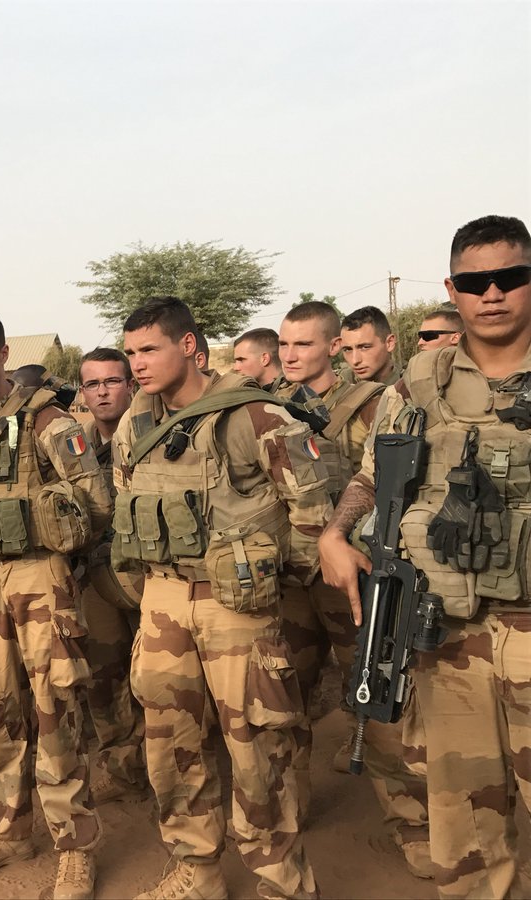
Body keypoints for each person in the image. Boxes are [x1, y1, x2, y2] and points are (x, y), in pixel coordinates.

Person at [320, 214, 531, 899]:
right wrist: (334, 533)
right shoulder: (417, 383)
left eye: (510, 277)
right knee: (465, 826)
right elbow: (372, 475)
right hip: (449, 636)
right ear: (451, 289)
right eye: (475, 282)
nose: (491, 293)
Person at [114, 297, 326, 900]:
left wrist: (271, 580)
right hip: (162, 599)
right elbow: (126, 504)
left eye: (149, 349)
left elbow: (311, 509)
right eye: (130, 353)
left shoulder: (253, 415)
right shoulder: (136, 423)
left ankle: (282, 882)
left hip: (237, 606)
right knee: (170, 746)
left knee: (259, 750)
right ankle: (198, 872)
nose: (137, 364)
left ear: (188, 346)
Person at [0, 310, 112, 900]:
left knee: (56, 709)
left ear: (5, 354)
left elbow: (96, 503)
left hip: (40, 574)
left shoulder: (50, 421)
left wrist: (36, 523)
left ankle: (75, 845)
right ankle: (8, 828)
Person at [275, 302, 431, 875]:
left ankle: (411, 821)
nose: (290, 355)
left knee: (376, 692)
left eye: (303, 344)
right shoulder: (268, 409)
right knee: (282, 701)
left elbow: (389, 484)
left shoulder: (371, 404)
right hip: (292, 579)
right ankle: (286, 812)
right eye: (284, 345)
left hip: (352, 578)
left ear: (332, 348)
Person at [75, 348, 147, 803]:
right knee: (103, 675)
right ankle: (124, 766)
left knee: (156, 678)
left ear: (130, 385)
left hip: (148, 575)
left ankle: (168, 765)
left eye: (112, 381)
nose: (102, 392)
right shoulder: (72, 445)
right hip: (96, 577)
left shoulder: (155, 435)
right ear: (82, 392)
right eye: (93, 384)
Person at [341, 305, 400, 384]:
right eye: (348, 350)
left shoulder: (409, 387)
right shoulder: (340, 385)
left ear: (389, 343)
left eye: (364, 347)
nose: (355, 360)